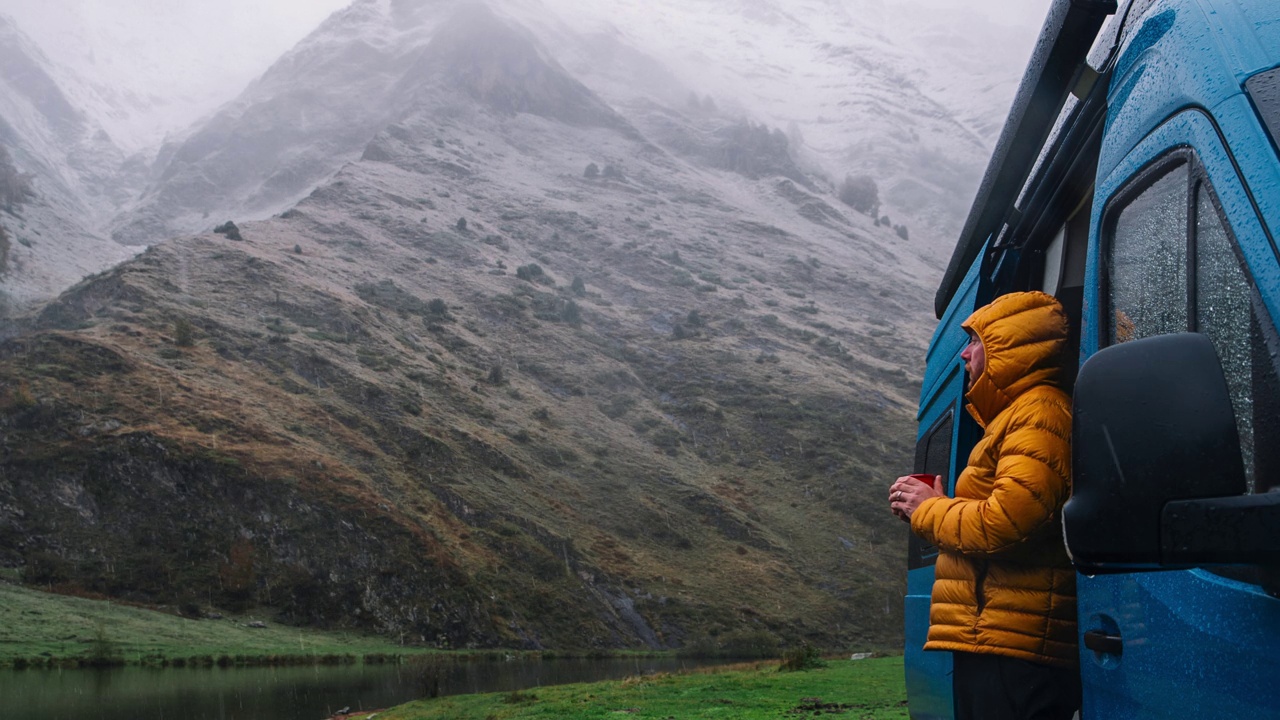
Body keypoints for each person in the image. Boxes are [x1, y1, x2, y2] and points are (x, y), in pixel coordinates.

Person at [890, 291, 1079, 720]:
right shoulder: (1016, 418)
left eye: (975, 341)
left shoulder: (1040, 412)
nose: (964, 355)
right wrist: (931, 506)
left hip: (1014, 649)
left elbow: (1007, 522)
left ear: (1009, 345)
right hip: (999, 638)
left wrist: (930, 509)